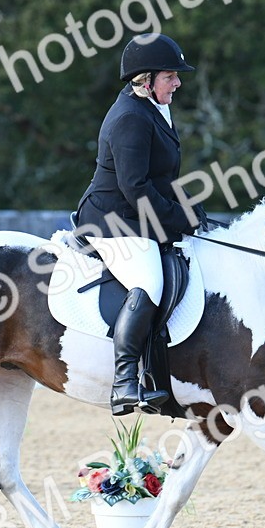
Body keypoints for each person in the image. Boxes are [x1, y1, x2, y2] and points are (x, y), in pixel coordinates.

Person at [74, 33, 204, 416]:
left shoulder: (153, 107)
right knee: (148, 280)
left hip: (135, 213)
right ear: (145, 79)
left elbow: (159, 179)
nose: (178, 83)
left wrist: (191, 211)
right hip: (113, 219)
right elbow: (136, 187)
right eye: (170, 76)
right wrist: (179, 219)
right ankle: (125, 380)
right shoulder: (131, 117)